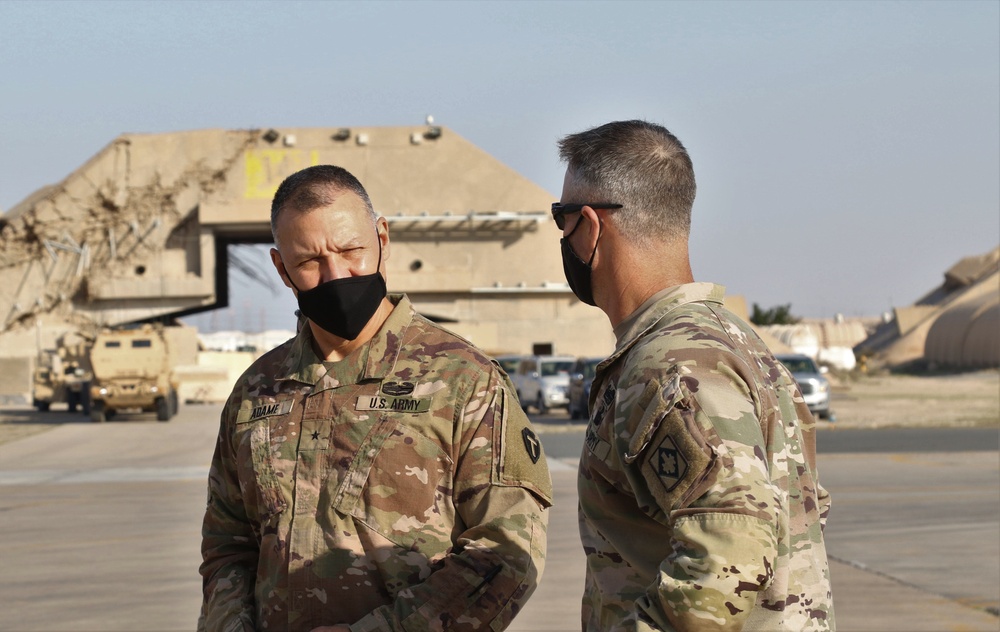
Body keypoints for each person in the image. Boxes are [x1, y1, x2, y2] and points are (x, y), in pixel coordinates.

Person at [199, 165, 552, 632]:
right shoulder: (256, 391)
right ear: (282, 269)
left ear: (382, 239)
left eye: (351, 251)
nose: (336, 274)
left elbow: (508, 550)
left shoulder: (464, 380)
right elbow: (228, 545)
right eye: (309, 263)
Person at [554, 120, 835, 631]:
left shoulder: (669, 363)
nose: (564, 236)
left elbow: (728, 556)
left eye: (563, 218)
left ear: (590, 226)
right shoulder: (733, 341)